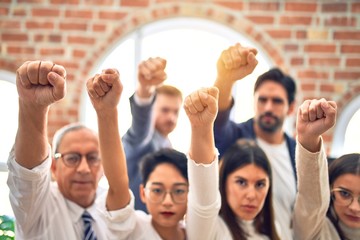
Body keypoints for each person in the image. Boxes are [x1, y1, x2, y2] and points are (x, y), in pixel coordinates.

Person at [7, 61, 133, 239]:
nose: (83, 169)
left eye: (92, 158)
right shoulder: (36, 206)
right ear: (53, 167)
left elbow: (119, 184)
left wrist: (107, 110)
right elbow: (29, 175)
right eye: (72, 158)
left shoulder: (110, 206)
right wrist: (33, 107)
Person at [214, 43, 297, 239]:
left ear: (290, 108)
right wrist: (225, 79)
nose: (268, 107)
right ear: (254, 101)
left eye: (277, 101)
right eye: (262, 99)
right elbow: (216, 119)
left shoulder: (297, 154)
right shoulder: (235, 138)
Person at [184, 87, 280, 239]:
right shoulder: (211, 228)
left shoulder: (270, 234)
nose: (251, 195)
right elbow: (203, 202)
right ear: (224, 182)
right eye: (241, 182)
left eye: (260, 184)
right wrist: (201, 127)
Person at [293, 98, 360, 239]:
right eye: (345, 194)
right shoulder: (316, 230)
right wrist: (309, 138)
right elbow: (312, 198)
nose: (354, 208)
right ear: (329, 191)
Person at [122, 57, 183, 212]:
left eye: (175, 111)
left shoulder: (167, 143)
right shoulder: (142, 139)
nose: (171, 117)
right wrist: (145, 90)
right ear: (152, 109)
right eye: (165, 110)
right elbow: (140, 126)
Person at [122, 148, 188, 240]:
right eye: (157, 190)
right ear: (143, 193)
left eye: (178, 191)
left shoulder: (200, 233)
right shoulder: (132, 227)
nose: (167, 202)